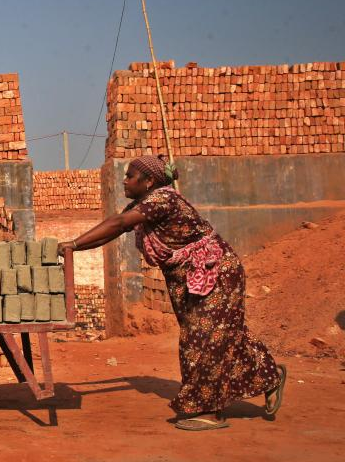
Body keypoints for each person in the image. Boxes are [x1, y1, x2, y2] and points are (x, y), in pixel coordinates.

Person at [59, 154, 287, 431]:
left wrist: (73, 243)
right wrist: (74, 246)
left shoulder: (162, 200)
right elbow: (115, 229)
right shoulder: (144, 204)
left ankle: (208, 410)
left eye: (130, 176)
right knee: (221, 333)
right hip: (190, 277)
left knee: (202, 337)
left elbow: (118, 223)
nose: (124, 180)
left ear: (149, 181)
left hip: (214, 271)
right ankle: (269, 377)